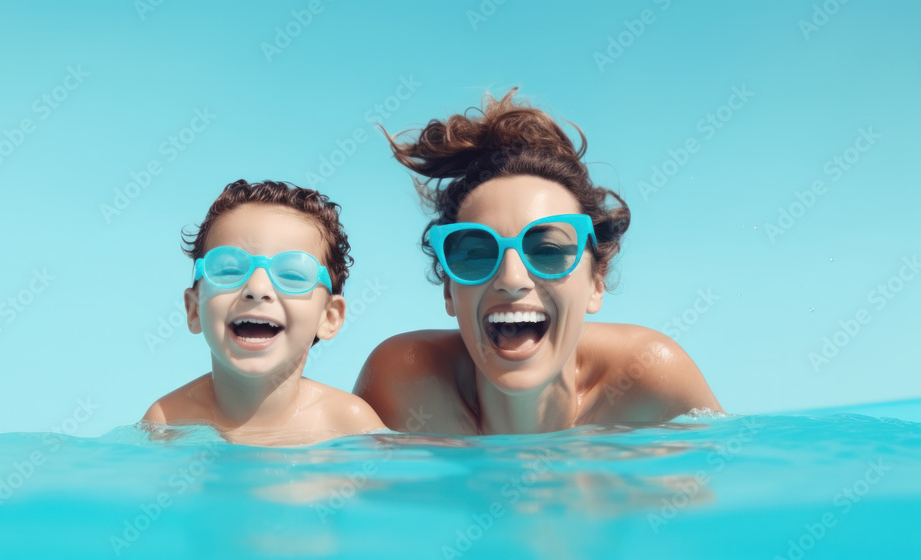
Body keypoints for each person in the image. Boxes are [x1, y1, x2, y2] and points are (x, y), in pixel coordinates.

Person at [354, 90, 722, 435]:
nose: (512, 279)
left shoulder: (651, 382)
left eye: (548, 251)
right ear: (449, 291)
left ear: (597, 283)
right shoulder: (405, 385)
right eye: (477, 254)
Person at [143, 179, 385, 445]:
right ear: (193, 310)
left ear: (329, 317)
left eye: (293, 274)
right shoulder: (167, 423)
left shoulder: (348, 424)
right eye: (228, 270)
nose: (257, 288)